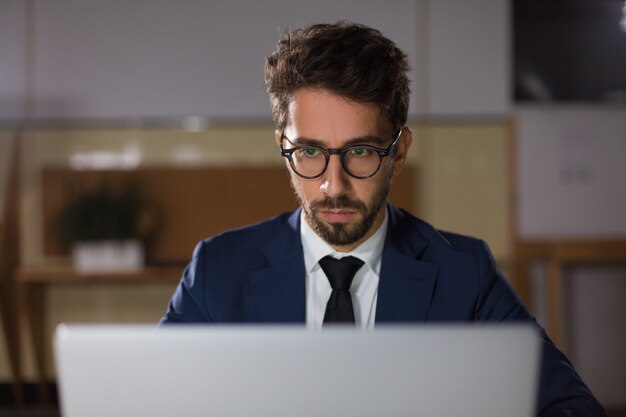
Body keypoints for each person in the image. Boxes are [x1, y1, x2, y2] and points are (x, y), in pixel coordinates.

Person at [160, 21, 605, 417]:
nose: (334, 184)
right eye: (310, 152)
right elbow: (149, 403)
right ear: (283, 145)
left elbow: (572, 407)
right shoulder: (217, 271)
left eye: (361, 151)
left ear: (400, 151)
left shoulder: (464, 273)